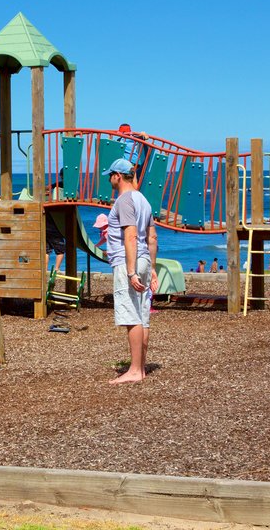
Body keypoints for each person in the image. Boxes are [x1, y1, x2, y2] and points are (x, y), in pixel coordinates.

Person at [103, 158, 158, 385]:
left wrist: (131, 271)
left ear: (118, 175)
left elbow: (131, 235)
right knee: (142, 315)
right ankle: (141, 368)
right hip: (145, 258)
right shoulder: (143, 199)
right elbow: (152, 237)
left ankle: (135, 370)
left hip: (131, 261)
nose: (109, 180)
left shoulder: (125, 200)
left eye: (110, 176)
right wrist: (152, 268)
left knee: (131, 314)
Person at [44, 171, 66, 272]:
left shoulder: (55, 185)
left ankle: (44, 269)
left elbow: (47, 187)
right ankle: (57, 269)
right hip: (55, 226)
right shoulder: (68, 188)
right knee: (60, 250)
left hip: (46, 225)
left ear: (61, 176)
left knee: (46, 250)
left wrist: (46, 191)